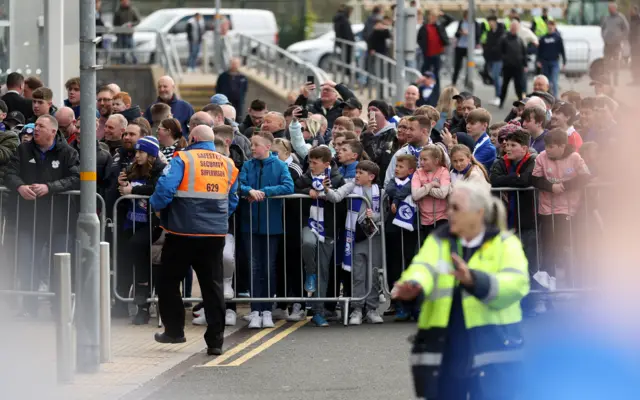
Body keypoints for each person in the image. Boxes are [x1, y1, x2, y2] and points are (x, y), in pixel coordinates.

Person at [392, 180, 529, 400]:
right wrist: (413, 287)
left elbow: (516, 284)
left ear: (478, 213)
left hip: (493, 348)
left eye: (456, 208)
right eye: (449, 207)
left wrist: (474, 279)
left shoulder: (505, 243)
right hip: (446, 352)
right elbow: (421, 268)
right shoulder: (438, 241)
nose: (449, 213)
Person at [149, 125, 238, 356]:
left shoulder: (183, 159)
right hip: (214, 235)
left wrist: (158, 208)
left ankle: (175, 331)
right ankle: (216, 342)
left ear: (193, 138)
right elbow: (233, 199)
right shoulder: (227, 163)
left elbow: (165, 189)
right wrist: (218, 218)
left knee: (168, 281)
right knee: (213, 287)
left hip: (182, 232)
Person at [4, 115, 80, 316]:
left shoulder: (67, 153)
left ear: (53, 132)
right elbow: (9, 173)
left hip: (60, 220)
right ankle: (29, 308)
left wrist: (50, 187)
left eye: (40, 126)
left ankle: (60, 310)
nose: (35, 129)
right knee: (28, 263)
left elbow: (76, 178)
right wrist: (19, 186)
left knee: (59, 265)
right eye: (35, 125)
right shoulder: (23, 150)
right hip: (30, 218)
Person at [238, 131, 294, 329]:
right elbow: (239, 184)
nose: (252, 148)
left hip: (272, 226)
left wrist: (264, 192)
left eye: (256, 145)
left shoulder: (279, 165)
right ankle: (255, 311)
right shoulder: (247, 165)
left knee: (268, 267)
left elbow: (288, 186)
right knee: (253, 268)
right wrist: (248, 190)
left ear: (267, 147)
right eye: (252, 144)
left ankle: (267, 310)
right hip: (250, 225)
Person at [324, 160, 384, 325]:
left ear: (371, 176)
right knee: (358, 274)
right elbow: (336, 197)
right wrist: (327, 189)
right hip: (355, 236)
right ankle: (357, 309)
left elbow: (382, 216)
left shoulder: (379, 190)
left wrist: (375, 216)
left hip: (373, 238)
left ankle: (372, 308)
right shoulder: (351, 186)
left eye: (360, 173)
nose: (356, 175)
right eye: (356, 172)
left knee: (372, 275)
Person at [532, 128, 591, 288]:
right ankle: (548, 283)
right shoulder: (541, 157)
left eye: (552, 146)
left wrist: (564, 186)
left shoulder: (575, 157)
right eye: (546, 146)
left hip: (569, 210)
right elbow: (535, 179)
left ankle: (576, 284)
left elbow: (585, 176)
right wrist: (551, 187)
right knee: (549, 247)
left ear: (562, 146)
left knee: (566, 247)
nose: (547, 150)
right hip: (547, 209)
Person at [116, 136, 165, 325]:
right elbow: (120, 190)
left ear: (151, 154)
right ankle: (141, 304)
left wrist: (133, 192)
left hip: (151, 223)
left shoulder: (160, 169)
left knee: (140, 251)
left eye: (141, 152)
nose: (137, 156)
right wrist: (121, 184)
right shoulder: (132, 169)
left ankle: (144, 304)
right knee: (136, 260)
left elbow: (156, 189)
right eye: (136, 152)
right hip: (132, 222)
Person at [296, 146, 346, 327]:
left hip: (329, 229)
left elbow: (340, 200)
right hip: (309, 223)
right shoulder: (305, 177)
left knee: (323, 271)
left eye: (315, 163)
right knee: (307, 244)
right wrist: (307, 191)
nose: (311, 166)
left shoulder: (337, 179)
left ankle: (318, 312)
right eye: (309, 162)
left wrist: (328, 194)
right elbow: (293, 187)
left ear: (326, 163)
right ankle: (310, 272)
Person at [383, 153, 418, 321]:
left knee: (410, 262)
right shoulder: (393, 181)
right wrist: (397, 197)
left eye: (400, 167)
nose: (396, 169)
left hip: (410, 227)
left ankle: (413, 304)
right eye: (396, 166)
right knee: (394, 264)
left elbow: (410, 188)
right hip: (393, 227)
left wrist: (396, 200)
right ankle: (397, 303)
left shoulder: (414, 180)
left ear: (411, 170)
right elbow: (389, 188)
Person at [411, 145, 450, 242]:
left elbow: (442, 193)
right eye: (420, 159)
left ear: (436, 161)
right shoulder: (417, 173)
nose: (421, 162)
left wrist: (424, 190)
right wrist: (431, 185)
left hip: (442, 217)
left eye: (425, 159)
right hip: (425, 219)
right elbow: (415, 195)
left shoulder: (443, 171)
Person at [499, 20, 528, 109]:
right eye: (513, 27)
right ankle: (501, 102)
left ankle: (520, 103)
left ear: (518, 29)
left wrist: (525, 65)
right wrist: (505, 59)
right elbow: (500, 51)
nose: (514, 29)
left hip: (518, 67)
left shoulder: (519, 40)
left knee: (518, 87)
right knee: (504, 86)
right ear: (510, 28)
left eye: (516, 27)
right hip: (507, 67)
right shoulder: (504, 38)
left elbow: (524, 53)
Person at [601, 2, 629, 86]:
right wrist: (604, 37)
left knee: (616, 62)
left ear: (615, 8)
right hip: (607, 44)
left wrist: (621, 38)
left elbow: (626, 29)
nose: (610, 10)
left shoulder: (621, 17)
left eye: (611, 8)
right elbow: (602, 28)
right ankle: (607, 79)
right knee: (606, 62)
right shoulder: (606, 18)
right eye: (609, 8)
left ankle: (616, 79)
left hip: (616, 44)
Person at [536, 20, 566, 97]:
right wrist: (538, 60)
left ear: (554, 27)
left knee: (554, 81)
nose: (550, 27)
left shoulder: (558, 38)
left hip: (554, 62)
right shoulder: (543, 38)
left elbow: (562, 50)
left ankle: (556, 98)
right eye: (549, 25)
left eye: (552, 25)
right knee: (546, 82)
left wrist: (564, 61)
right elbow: (539, 50)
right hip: (545, 63)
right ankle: (547, 97)